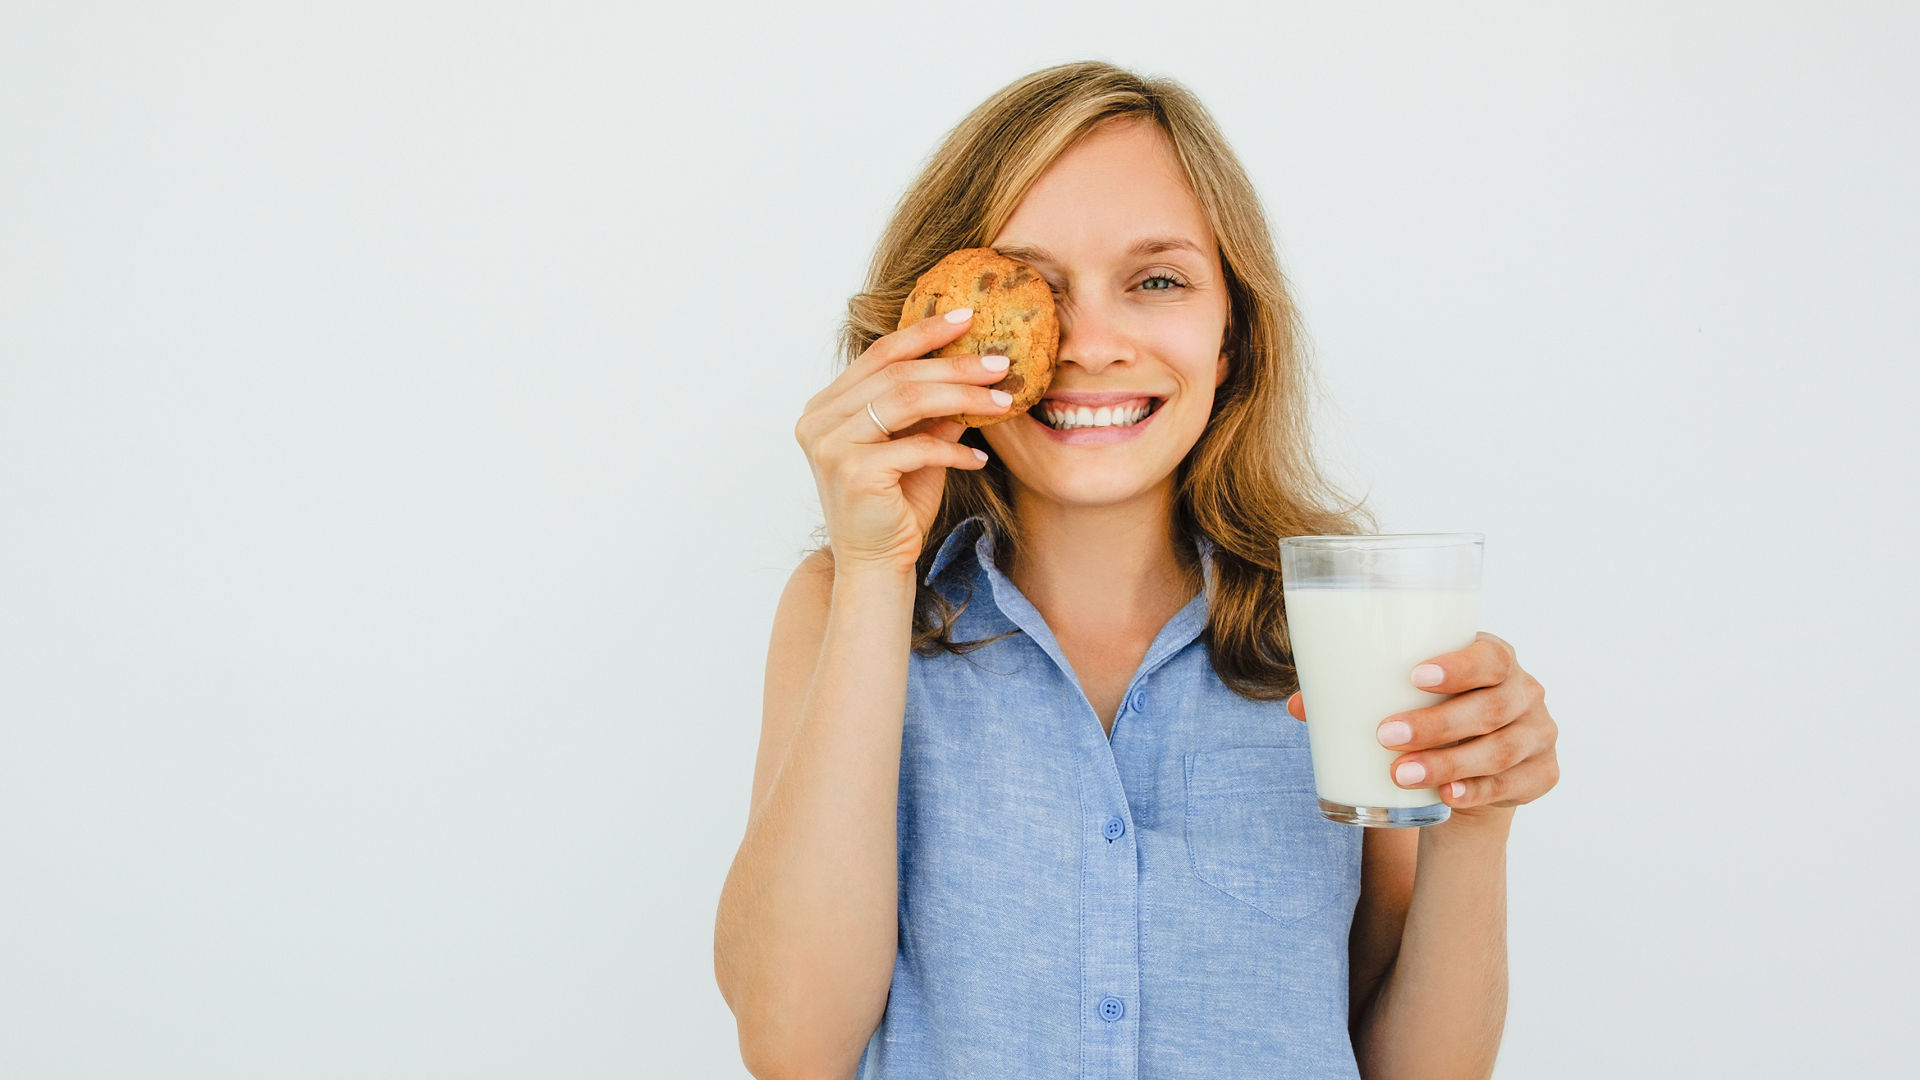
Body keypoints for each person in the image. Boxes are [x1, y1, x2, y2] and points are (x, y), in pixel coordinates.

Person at [714, 61, 1560, 1080]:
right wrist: (874, 564)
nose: (1092, 345)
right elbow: (791, 1045)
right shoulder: (851, 604)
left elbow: (1413, 1068)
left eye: (1156, 280)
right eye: (1037, 288)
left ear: (1232, 334)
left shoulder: (1335, 627)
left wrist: (1478, 818)